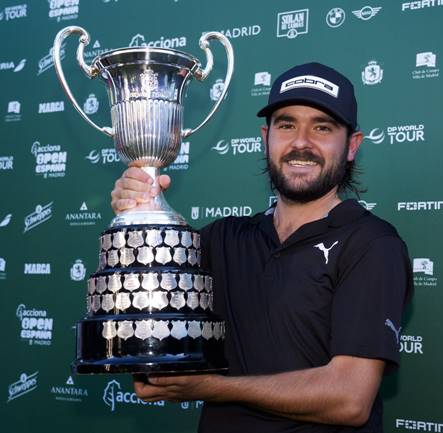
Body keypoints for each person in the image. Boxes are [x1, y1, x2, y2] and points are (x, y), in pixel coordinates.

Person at [110, 62, 413, 433]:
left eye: (322, 127)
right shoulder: (222, 239)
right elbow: (143, 332)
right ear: (265, 137)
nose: (301, 142)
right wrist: (139, 218)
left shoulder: (372, 244)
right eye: (287, 125)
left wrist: (212, 388)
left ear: (351, 146)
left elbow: (349, 398)